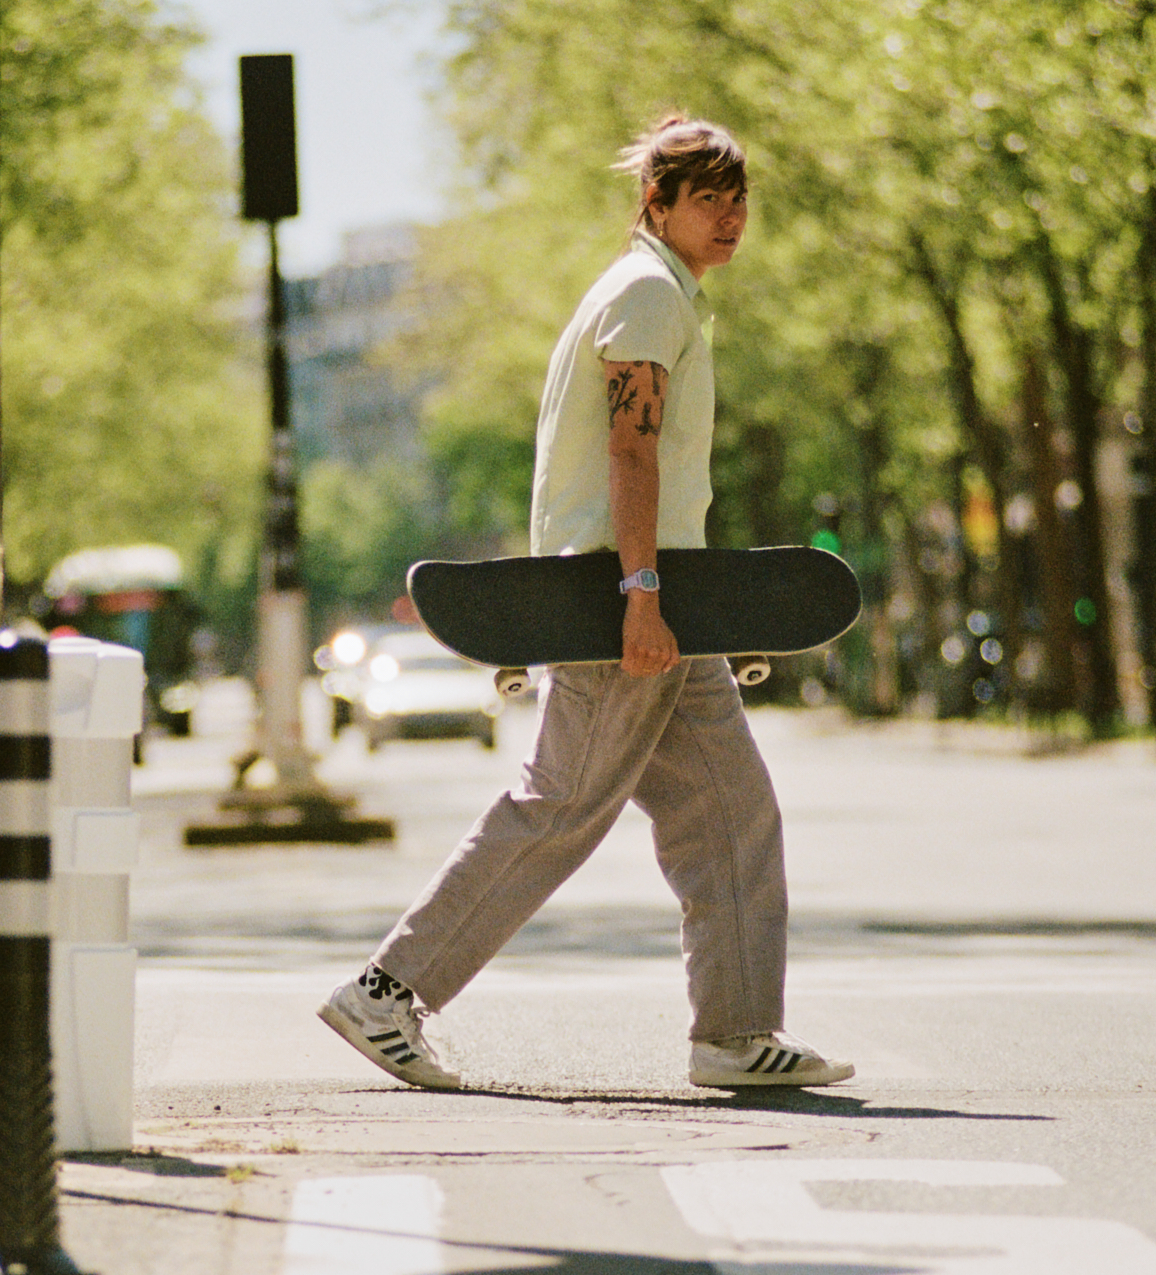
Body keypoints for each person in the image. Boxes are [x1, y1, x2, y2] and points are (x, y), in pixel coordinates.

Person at [317, 113, 853, 1092]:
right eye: (707, 199)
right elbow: (629, 449)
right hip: (622, 598)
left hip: (661, 600)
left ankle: (734, 1032)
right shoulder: (647, 295)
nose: (730, 218)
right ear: (655, 203)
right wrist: (640, 594)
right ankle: (388, 990)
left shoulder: (663, 294)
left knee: (733, 817)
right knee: (560, 806)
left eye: (739, 200)